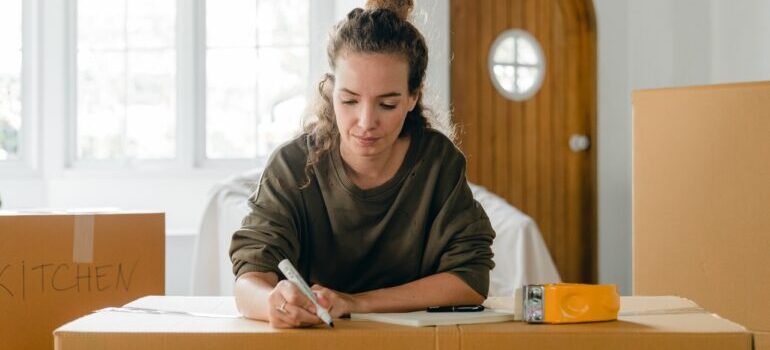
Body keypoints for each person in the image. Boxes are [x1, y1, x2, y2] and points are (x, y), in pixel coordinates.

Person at [229, 0, 495, 328]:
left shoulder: (437, 162)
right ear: (330, 90)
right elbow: (249, 279)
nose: (366, 122)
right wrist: (272, 303)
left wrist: (355, 303)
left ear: (413, 97)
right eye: (350, 100)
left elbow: (470, 280)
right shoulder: (292, 165)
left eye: (387, 103)